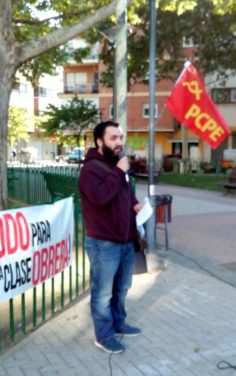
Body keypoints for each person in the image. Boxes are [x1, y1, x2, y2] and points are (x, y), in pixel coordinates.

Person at [78, 120, 144, 354]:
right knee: (102, 293)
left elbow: (124, 194)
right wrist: (118, 172)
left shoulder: (117, 166)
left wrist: (135, 204)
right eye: (113, 138)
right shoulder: (90, 169)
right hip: (103, 243)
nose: (119, 143)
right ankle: (103, 336)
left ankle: (118, 324)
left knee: (122, 287)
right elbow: (100, 198)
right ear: (99, 141)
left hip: (126, 240)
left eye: (120, 138)